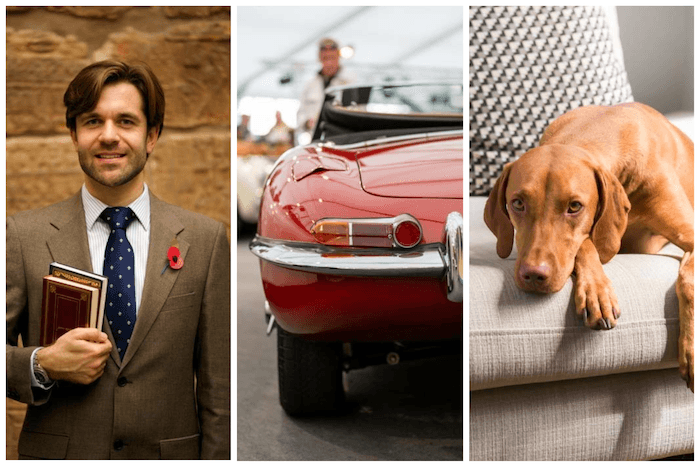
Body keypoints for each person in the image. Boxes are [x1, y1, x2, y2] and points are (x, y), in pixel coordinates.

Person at [6, 60, 230, 459]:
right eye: (93, 122)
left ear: (152, 136)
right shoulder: (22, 236)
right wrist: (43, 363)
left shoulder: (205, 240)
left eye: (126, 121)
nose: (109, 136)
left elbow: (219, 387)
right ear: (74, 135)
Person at [296, 37, 355, 140]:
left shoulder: (350, 83)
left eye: (332, 57)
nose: (329, 63)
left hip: (341, 138)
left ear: (338, 57)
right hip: (314, 139)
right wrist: (306, 123)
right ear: (319, 58)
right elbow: (301, 113)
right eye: (325, 58)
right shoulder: (310, 84)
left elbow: (357, 111)